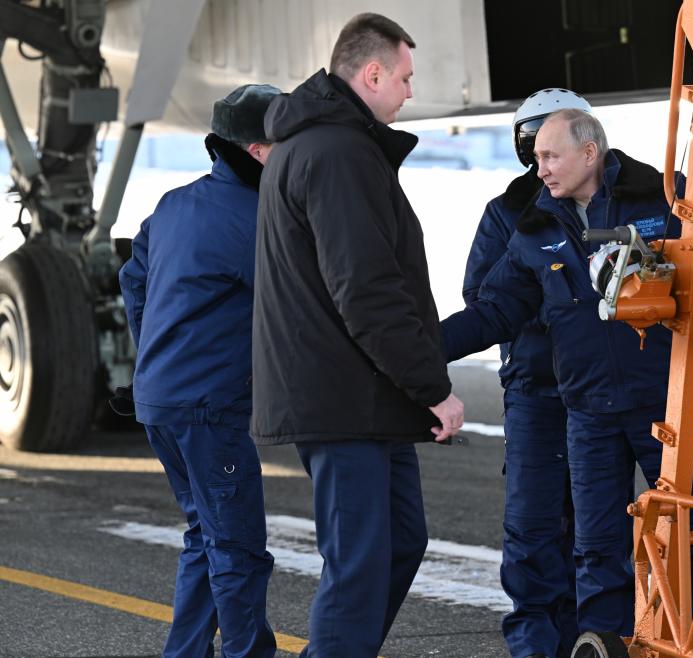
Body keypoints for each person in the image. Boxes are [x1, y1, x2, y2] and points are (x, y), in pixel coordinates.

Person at [443, 109, 693, 639]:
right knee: (597, 545)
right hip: (587, 413)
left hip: (666, 402)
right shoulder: (534, 228)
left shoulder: (659, 196)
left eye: (549, 157)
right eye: (538, 157)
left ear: (589, 153)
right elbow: (492, 311)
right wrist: (421, 348)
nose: (538, 170)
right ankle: (603, 645)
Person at [250, 13, 464, 658]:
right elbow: (365, 290)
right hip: (342, 399)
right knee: (360, 562)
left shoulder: (330, 146)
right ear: (371, 74)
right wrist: (432, 386)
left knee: (398, 541)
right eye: (403, 78)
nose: (408, 92)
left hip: (362, 397)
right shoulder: (337, 153)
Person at [118, 84, 280, 658]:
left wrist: (158, 349)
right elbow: (298, 310)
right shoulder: (258, 219)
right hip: (210, 410)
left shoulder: (174, 204)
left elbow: (132, 280)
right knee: (237, 547)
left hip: (158, 400)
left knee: (204, 536)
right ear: (260, 150)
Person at [464, 88, 591, 658]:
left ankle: (592, 641)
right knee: (535, 527)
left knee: (599, 531)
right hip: (538, 390)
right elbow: (483, 298)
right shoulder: (507, 215)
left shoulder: (619, 199)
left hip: (601, 395)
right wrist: (564, 302)